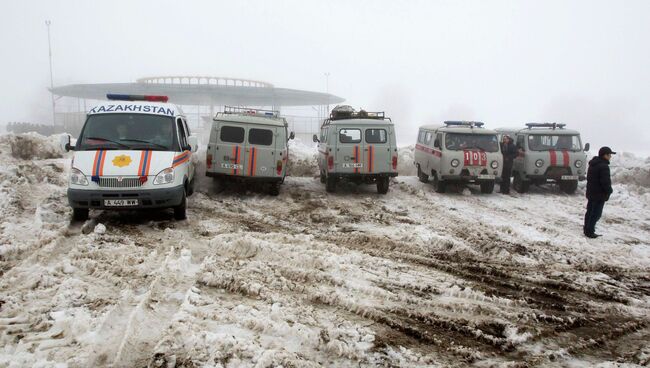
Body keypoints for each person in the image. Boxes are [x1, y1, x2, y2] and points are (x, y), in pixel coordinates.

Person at [584, 146, 615, 238]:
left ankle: (587, 229)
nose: (610, 157)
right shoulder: (604, 167)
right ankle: (590, 231)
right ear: (605, 155)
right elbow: (605, 182)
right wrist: (609, 190)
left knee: (589, 211)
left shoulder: (593, 164)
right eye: (609, 155)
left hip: (591, 192)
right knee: (596, 214)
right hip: (599, 194)